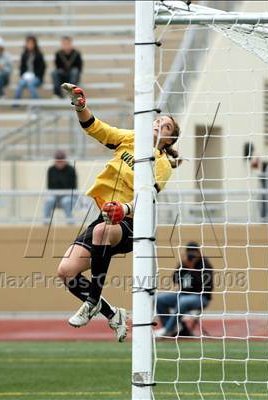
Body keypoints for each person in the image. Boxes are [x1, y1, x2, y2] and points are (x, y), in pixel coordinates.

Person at [57, 83, 182, 342]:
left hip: (131, 222)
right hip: (106, 216)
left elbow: (147, 199)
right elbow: (95, 128)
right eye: (158, 120)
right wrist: (80, 106)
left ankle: (92, 301)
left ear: (169, 140)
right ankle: (113, 314)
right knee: (66, 271)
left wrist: (124, 208)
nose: (159, 124)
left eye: (166, 126)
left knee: (103, 230)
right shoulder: (131, 139)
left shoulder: (161, 164)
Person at [155, 242, 213, 337]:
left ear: (199, 253)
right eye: (189, 252)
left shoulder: (205, 265)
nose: (191, 256)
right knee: (159, 299)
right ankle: (173, 328)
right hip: (183, 294)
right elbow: (175, 279)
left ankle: (167, 330)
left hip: (201, 297)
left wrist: (191, 268)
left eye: (193, 253)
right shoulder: (184, 263)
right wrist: (182, 267)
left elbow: (205, 286)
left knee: (183, 301)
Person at [44, 150, 77, 224]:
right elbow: (50, 187)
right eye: (57, 160)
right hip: (55, 195)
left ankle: (70, 223)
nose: (59, 163)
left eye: (61, 160)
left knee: (66, 201)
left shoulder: (71, 170)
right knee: (49, 200)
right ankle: (45, 223)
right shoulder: (51, 170)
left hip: (69, 196)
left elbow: (72, 187)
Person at [14, 36, 46, 100]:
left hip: (36, 77)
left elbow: (42, 68)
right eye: (28, 43)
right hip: (26, 77)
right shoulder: (24, 55)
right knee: (20, 84)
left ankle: (37, 102)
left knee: (30, 85)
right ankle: (16, 103)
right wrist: (24, 75)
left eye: (31, 43)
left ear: (34, 44)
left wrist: (34, 75)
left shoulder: (39, 55)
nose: (30, 45)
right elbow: (22, 68)